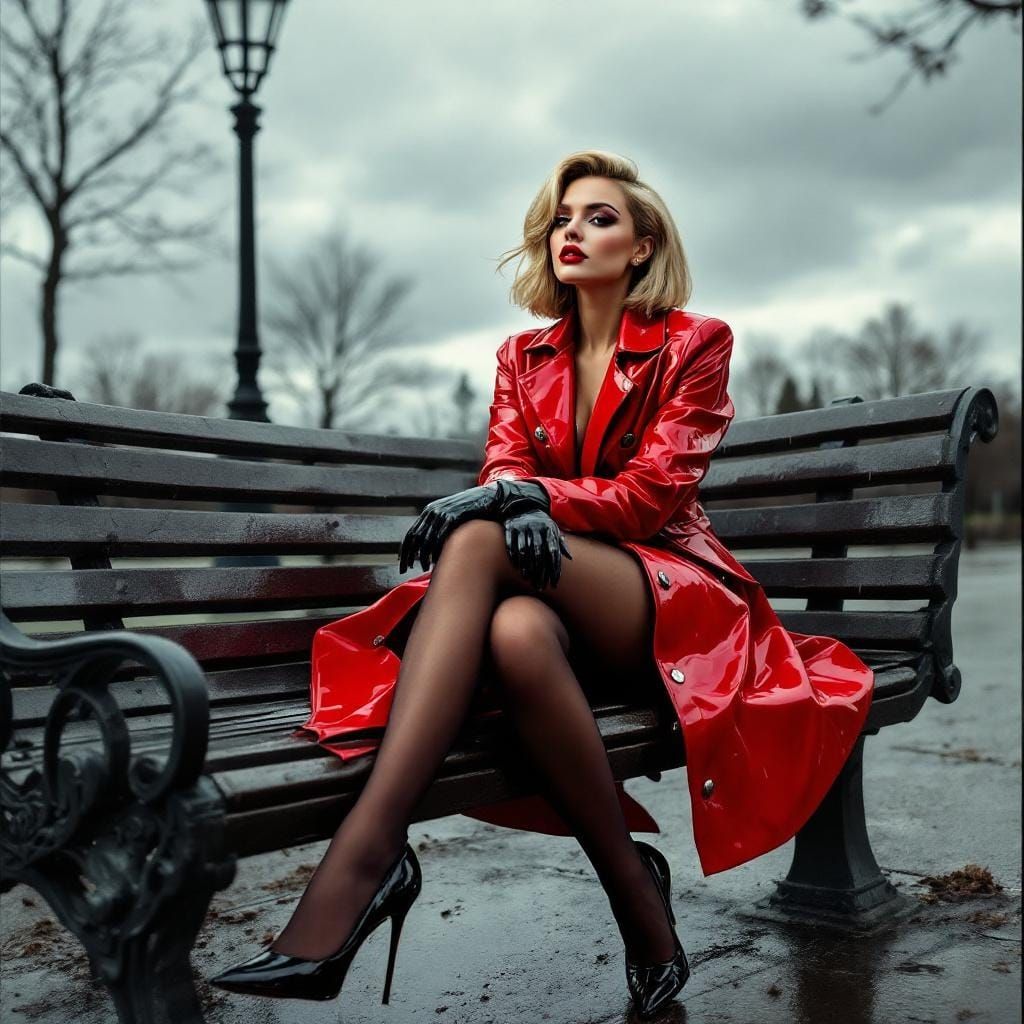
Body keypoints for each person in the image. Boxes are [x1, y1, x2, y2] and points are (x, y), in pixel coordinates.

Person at [210, 150, 874, 1020]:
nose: (573, 232)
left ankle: (367, 855)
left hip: (670, 593)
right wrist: (518, 493)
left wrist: (532, 500)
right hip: (559, 603)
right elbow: (503, 463)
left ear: (642, 246)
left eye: (599, 218)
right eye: (563, 218)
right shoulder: (522, 356)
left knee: (483, 540)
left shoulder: (694, 343)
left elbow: (648, 499)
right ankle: (636, 895)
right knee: (515, 633)